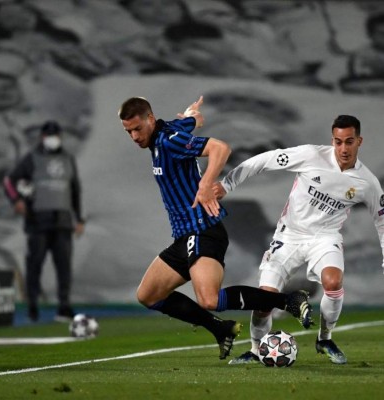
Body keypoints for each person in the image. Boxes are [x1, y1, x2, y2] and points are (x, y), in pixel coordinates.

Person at [117, 96, 313, 360]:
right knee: (148, 294)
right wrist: (192, 115)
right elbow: (187, 122)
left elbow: (220, 148)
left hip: (202, 230)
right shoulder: (165, 133)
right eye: (128, 131)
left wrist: (205, 184)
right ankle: (220, 329)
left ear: (150, 119)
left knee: (209, 299)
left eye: (137, 128)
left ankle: (288, 300)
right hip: (185, 236)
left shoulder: (168, 141)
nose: (133, 136)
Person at [214, 115, 384, 365]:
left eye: (349, 142)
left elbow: (381, 219)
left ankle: (324, 338)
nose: (343, 149)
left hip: (325, 238)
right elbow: (265, 160)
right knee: (265, 298)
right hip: (289, 236)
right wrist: (228, 184)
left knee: (333, 281)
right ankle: (254, 349)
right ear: (332, 140)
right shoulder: (310, 155)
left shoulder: (367, 182)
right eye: (338, 142)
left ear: (359, 141)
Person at [3, 120, 85, 322]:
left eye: (55, 135)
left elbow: (75, 190)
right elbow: (9, 181)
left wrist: (79, 218)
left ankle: (63, 307)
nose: (52, 139)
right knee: (35, 265)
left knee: (64, 266)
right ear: (42, 137)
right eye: (49, 135)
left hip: (63, 221)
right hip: (38, 220)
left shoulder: (68, 159)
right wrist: (16, 200)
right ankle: (32, 306)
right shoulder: (32, 158)